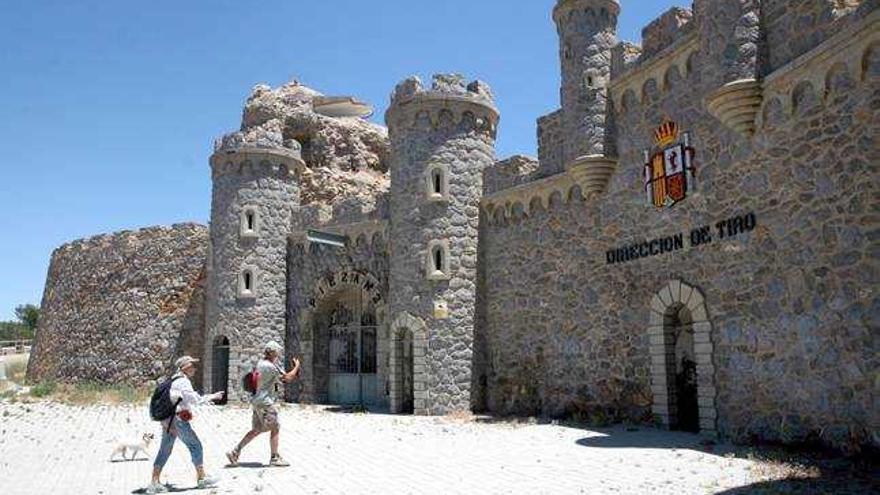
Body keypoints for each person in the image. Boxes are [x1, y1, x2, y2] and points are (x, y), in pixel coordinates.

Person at [146, 356, 224, 494]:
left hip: (168, 420)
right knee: (195, 445)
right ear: (185, 367)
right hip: (179, 420)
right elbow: (194, 399)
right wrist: (213, 396)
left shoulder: (173, 379)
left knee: (165, 449)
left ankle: (154, 481)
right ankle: (202, 478)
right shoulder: (183, 381)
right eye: (192, 365)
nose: (195, 368)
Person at [226, 341, 300, 467]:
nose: (278, 353)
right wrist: (297, 366)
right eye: (277, 351)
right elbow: (287, 378)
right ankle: (274, 458)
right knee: (275, 427)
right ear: (272, 352)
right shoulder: (270, 367)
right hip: (266, 402)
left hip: (257, 401)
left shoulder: (261, 363)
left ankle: (235, 451)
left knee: (257, 429)